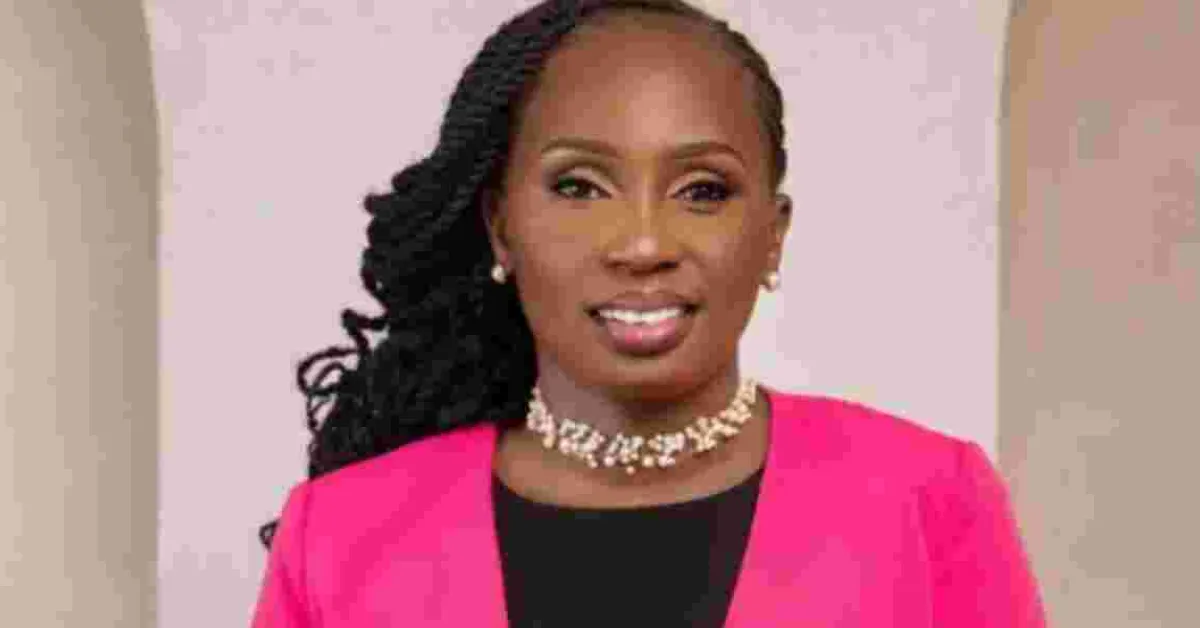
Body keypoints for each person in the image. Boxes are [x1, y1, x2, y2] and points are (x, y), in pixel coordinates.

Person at [252, 0, 1046, 626]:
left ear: (773, 235)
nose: (642, 244)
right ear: (501, 226)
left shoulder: (928, 499)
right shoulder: (340, 535)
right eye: (579, 186)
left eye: (703, 191)